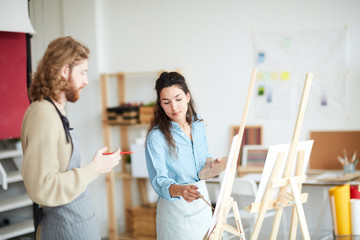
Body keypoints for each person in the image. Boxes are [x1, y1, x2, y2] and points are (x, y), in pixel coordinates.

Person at [21, 36, 121, 240]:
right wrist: (94, 169)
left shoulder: (56, 111)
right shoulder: (43, 115)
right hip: (63, 230)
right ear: (65, 71)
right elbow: (42, 186)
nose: (85, 80)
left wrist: (95, 165)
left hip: (76, 227)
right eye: (82, 72)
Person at [145, 71, 222, 240]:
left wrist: (213, 164)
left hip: (201, 205)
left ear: (188, 96)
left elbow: (204, 158)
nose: (174, 107)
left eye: (178, 99)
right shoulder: (156, 137)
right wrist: (181, 190)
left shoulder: (198, 123)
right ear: (160, 104)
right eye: (166, 102)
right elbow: (159, 181)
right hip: (176, 214)